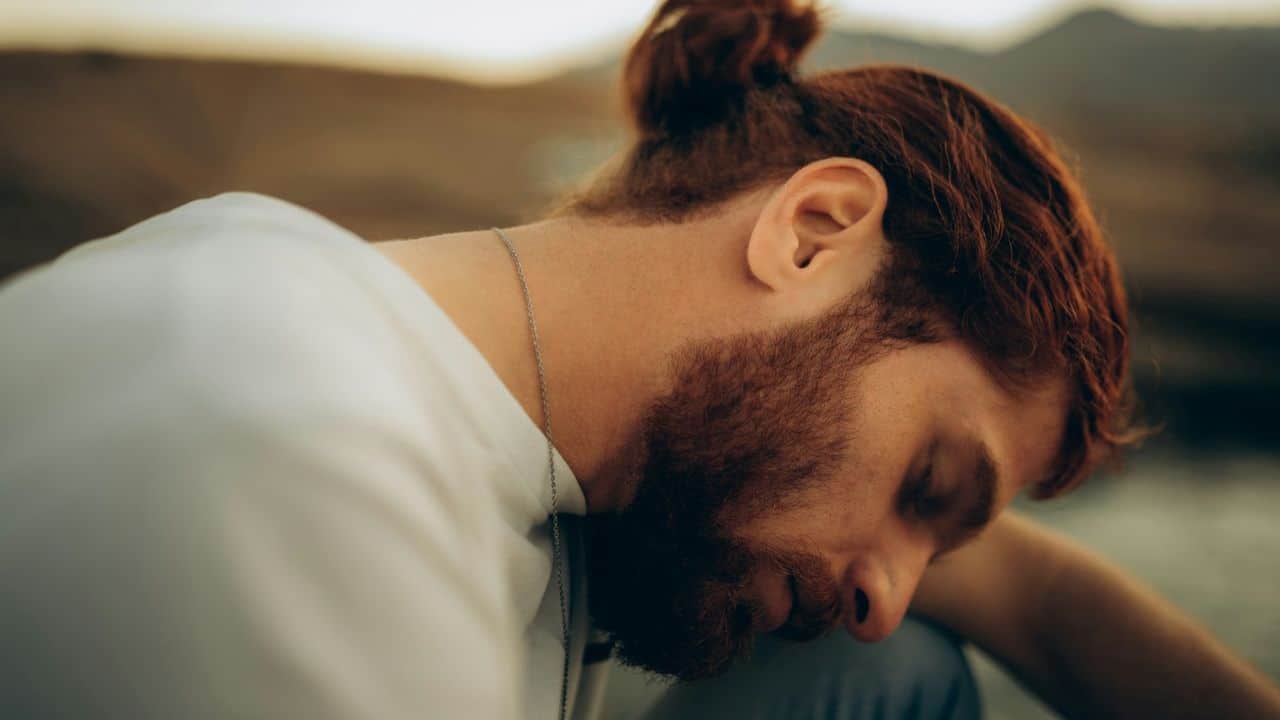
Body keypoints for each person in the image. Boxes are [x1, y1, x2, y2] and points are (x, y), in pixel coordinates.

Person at [1, 0, 1278, 718]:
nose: (885, 584)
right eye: (924, 486)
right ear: (813, 232)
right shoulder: (309, 476)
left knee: (878, 669)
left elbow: (1039, 602)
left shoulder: (511, 425)